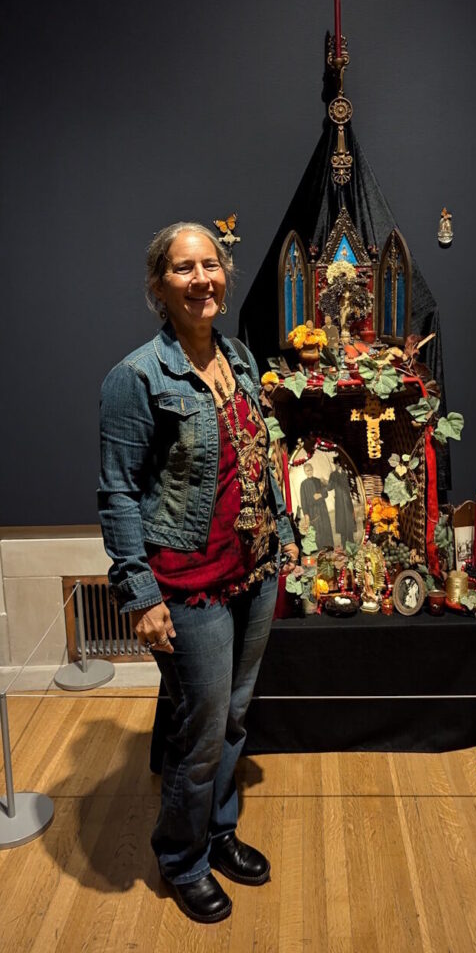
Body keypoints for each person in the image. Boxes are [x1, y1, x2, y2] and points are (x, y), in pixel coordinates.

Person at [98, 221, 298, 924]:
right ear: (159, 286)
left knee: (235, 717)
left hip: (255, 569)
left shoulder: (238, 358)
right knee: (201, 728)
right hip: (187, 585)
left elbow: (257, 458)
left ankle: (219, 832)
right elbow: (118, 492)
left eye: (210, 264)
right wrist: (140, 594)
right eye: (183, 268)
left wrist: (288, 535)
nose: (201, 278)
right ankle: (182, 858)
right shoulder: (136, 376)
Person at [299, 462, 334, 549]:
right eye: (307, 471)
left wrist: (320, 495)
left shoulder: (318, 481)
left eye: (310, 470)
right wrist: (306, 514)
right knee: (316, 529)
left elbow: (326, 493)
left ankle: (329, 546)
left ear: (313, 470)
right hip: (312, 511)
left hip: (322, 508)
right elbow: (303, 501)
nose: (309, 472)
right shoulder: (303, 485)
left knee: (325, 526)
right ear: (305, 472)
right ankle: (320, 549)